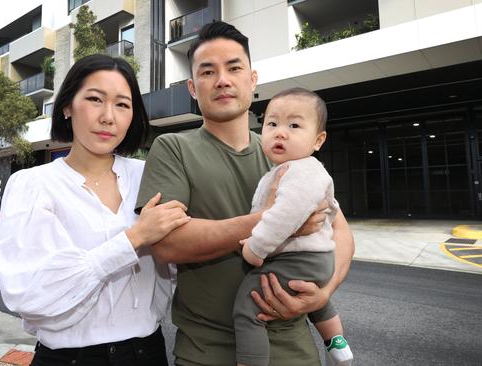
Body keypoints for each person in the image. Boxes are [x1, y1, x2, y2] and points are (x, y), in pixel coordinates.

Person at [136, 22, 355, 366]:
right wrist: (267, 222)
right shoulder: (173, 148)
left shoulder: (286, 152)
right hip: (207, 353)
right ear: (193, 87)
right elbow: (166, 244)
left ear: (252, 80)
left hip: (296, 351)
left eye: (234, 68)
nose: (222, 79)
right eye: (208, 72)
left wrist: (322, 295)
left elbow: (339, 231)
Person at [0, 54, 190, 366]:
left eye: (123, 104)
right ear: (68, 106)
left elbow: (181, 263)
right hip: (68, 358)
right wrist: (133, 239)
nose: (108, 116)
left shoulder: (149, 175)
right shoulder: (33, 184)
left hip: (147, 353)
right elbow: (30, 295)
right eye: (95, 99)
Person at [235, 87, 353, 366]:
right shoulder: (294, 168)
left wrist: (255, 248)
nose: (280, 132)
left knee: (247, 304)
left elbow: (282, 217)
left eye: (294, 125)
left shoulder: (301, 170)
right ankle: (337, 343)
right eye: (272, 124)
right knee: (312, 296)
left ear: (318, 140)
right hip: (313, 258)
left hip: (300, 257)